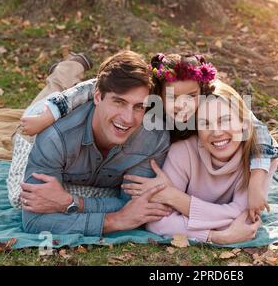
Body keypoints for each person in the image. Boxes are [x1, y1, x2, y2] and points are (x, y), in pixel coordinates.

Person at [20, 53, 278, 224]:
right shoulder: (153, 100)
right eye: (172, 99)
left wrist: (256, 183)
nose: (182, 106)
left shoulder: (211, 103)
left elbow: (257, 129)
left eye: (190, 97)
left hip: (116, 159)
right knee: (37, 115)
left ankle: (63, 73)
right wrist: (49, 115)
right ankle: (66, 70)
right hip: (55, 126)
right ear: (158, 96)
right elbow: (93, 88)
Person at [15, 50, 171, 236]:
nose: (128, 118)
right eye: (119, 102)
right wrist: (115, 220)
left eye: (139, 107)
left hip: (83, 122)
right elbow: (34, 221)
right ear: (97, 97)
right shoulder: (54, 137)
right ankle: (65, 69)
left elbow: (135, 205)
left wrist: (68, 202)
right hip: (36, 126)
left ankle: (67, 73)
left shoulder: (154, 138)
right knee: (16, 197)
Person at [125, 81, 278, 244]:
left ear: (244, 122)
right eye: (205, 123)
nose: (217, 132)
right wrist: (216, 236)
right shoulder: (183, 151)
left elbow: (246, 218)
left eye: (225, 120)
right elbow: (157, 221)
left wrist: (175, 198)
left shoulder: (260, 160)